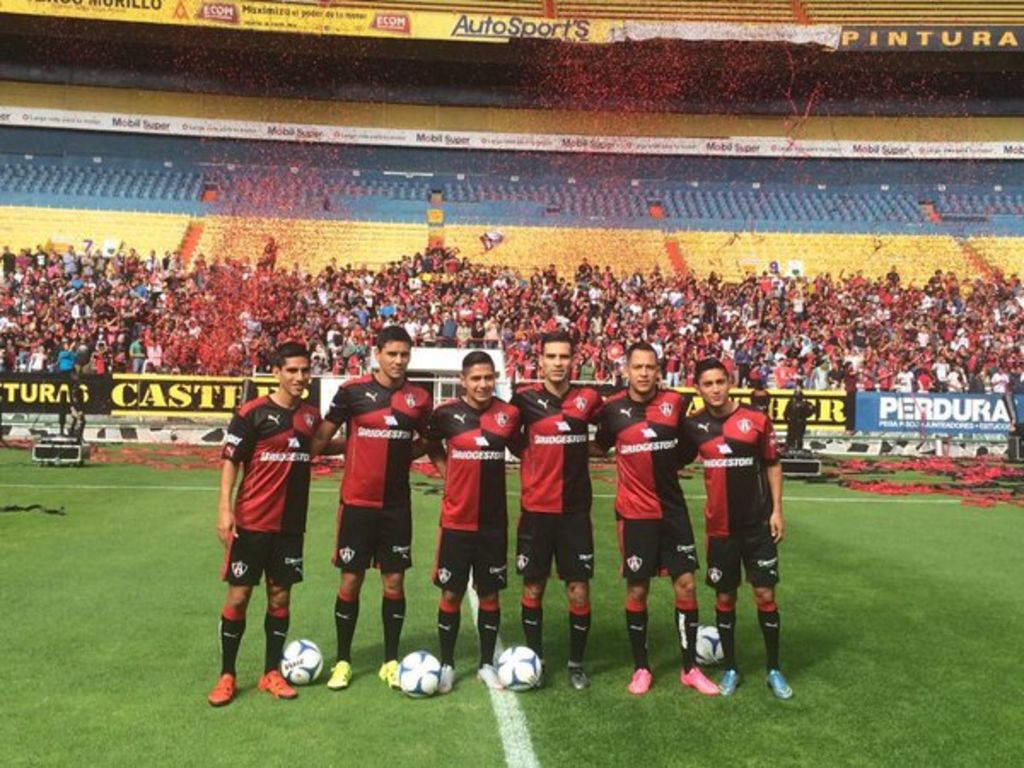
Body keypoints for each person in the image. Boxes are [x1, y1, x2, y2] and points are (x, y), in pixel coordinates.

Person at [591, 342, 719, 697]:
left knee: (687, 585)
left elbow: (688, 446)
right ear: (627, 370)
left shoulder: (674, 403)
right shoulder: (612, 409)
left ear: (658, 371)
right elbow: (600, 445)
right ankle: (641, 667)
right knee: (638, 589)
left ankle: (690, 668)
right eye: (638, 367)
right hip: (634, 513)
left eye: (650, 367)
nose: (644, 373)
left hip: (672, 510)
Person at [312, 326, 433, 691]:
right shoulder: (352, 393)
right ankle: (343, 661)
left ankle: (390, 661)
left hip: (396, 507)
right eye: (392, 354)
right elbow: (321, 439)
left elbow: (426, 442)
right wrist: (348, 448)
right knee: (351, 580)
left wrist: (397, 454)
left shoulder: (419, 398)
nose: (398, 361)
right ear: (376, 353)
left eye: (404, 354)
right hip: (356, 504)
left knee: (394, 582)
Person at [208, 342, 323, 707]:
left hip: (290, 525)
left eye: (304, 370)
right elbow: (230, 461)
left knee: (280, 596)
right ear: (276, 372)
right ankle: (227, 675)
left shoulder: (311, 416)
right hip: (252, 521)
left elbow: (321, 446)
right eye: (292, 371)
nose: (299, 377)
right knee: (239, 596)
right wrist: (224, 510)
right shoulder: (252, 413)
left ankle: (271, 672)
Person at [682, 358, 792, 700]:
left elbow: (773, 464)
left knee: (765, 595)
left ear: (729, 382)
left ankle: (774, 669)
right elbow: (671, 458)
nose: (715, 389)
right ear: (698, 388)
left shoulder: (755, 419)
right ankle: (730, 667)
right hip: (720, 528)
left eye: (720, 382)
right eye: (708, 384)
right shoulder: (693, 426)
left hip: (757, 525)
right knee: (725, 596)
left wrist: (777, 510)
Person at [510, 330, 603, 689]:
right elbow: (513, 439)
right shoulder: (524, 400)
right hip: (536, 509)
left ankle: (576, 663)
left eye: (564, 356)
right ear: (540, 361)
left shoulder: (588, 398)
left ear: (573, 360)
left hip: (575, 512)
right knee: (533, 587)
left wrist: (575, 448)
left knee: (578, 589)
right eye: (551, 356)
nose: (558, 363)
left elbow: (608, 435)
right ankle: (535, 658)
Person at [424, 350, 520, 693]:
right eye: (475, 378)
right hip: (456, 520)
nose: (482, 384)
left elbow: (525, 449)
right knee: (451, 592)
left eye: (488, 377)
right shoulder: (445, 414)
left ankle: (486, 665)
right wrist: (447, 474)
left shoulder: (509, 415)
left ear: (496, 378)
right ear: (462, 381)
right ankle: (448, 664)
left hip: (493, 522)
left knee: (490, 593)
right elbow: (430, 444)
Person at [783, 386, 815, 454]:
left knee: (793, 436)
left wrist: (787, 420)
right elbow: (808, 414)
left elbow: (785, 413)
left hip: (793, 422)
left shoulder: (791, 403)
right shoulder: (803, 404)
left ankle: (792, 448)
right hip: (799, 422)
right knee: (798, 436)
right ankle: (797, 448)